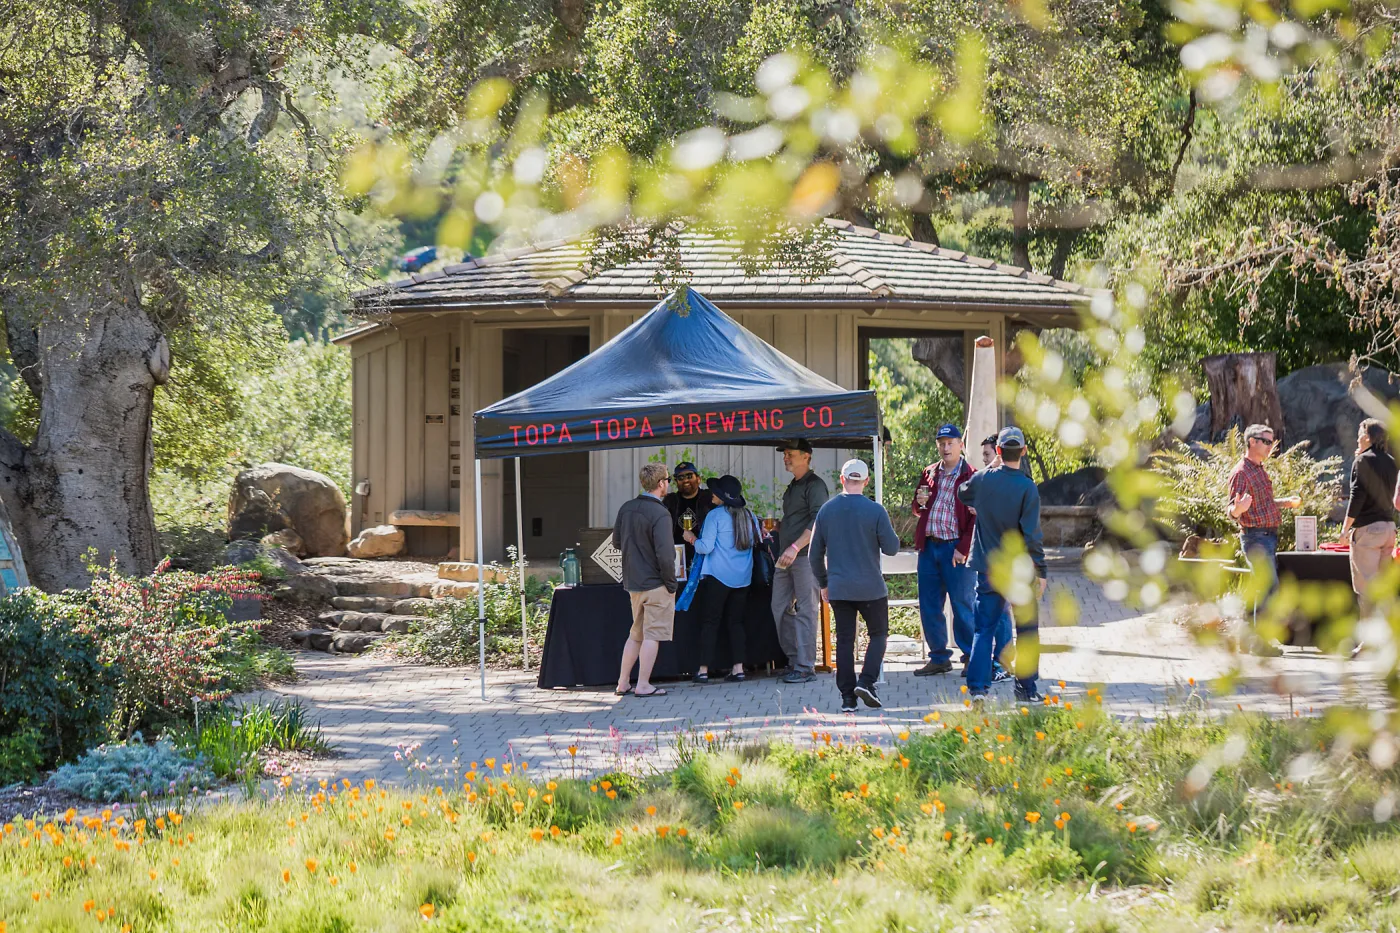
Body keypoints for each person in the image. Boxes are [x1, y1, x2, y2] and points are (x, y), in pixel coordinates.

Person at [958, 427, 1047, 701]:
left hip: (988, 568)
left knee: (984, 629)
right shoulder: (1027, 488)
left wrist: (989, 470)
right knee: (1027, 630)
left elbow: (962, 493)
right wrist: (1041, 571)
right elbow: (1032, 535)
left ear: (998, 451)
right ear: (1023, 451)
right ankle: (1026, 689)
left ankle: (978, 691)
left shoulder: (983, 480)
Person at [808, 458, 901, 712]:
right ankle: (867, 682)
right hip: (871, 587)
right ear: (867, 481)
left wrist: (824, 584)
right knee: (879, 635)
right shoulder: (876, 511)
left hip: (839, 588)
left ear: (842, 479)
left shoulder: (826, 511)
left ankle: (847, 698)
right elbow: (892, 548)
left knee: (845, 641)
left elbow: (813, 555)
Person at [911, 424, 976, 676]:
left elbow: (976, 519)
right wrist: (918, 502)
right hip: (929, 547)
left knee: (962, 605)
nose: (945, 447)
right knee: (929, 605)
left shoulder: (972, 475)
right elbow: (917, 509)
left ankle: (971, 655)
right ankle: (939, 657)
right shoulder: (929, 473)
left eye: (950, 442)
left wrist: (964, 548)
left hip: (955, 550)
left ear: (960, 444)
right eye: (941, 443)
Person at [682, 475, 755, 684]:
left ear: (723, 497)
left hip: (718, 576)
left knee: (710, 622)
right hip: (743, 577)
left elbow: (706, 547)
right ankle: (738, 669)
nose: (711, 493)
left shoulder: (715, 516)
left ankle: (703, 670)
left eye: (715, 492)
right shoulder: (748, 515)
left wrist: (691, 538)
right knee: (737, 623)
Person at [614, 463, 678, 698]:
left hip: (633, 582)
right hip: (656, 583)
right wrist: (671, 584)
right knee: (652, 635)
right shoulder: (660, 513)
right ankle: (642, 684)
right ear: (661, 483)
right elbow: (665, 554)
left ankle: (623, 682)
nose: (669, 484)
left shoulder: (627, 508)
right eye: (668, 480)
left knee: (635, 634)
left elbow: (617, 543)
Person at [772, 438, 829, 683]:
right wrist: (778, 528)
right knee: (779, 607)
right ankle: (795, 660)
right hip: (786, 556)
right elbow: (795, 518)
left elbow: (819, 521)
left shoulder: (815, 485)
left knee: (806, 610)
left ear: (806, 456)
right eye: (784, 453)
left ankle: (806, 667)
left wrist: (795, 546)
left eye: (790, 453)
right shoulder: (793, 486)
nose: (786, 457)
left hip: (805, 557)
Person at [1227, 423, 1302, 600]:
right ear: (1252, 442)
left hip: (1267, 537)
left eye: (1272, 441)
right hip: (1256, 539)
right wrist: (1238, 509)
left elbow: (1263, 504)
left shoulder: (1259, 469)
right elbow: (1231, 510)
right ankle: (1265, 627)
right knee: (1270, 589)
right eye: (1266, 442)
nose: (1271, 446)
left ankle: (1258, 625)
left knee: (1266, 590)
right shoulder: (1241, 472)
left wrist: (1286, 503)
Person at [1342, 418, 1397, 608]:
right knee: (1383, 588)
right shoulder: (1391, 462)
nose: (1357, 439)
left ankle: (1369, 636)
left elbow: (1357, 497)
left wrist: (1345, 529)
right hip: (1389, 529)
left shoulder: (1362, 460)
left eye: (1360, 434)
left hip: (1369, 531)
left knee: (1366, 590)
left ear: (1367, 436)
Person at [663, 460, 714, 570]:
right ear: (676, 482)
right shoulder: (670, 501)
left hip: (705, 558)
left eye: (689, 476)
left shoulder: (709, 498)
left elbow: (730, 514)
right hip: (677, 559)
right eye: (680, 478)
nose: (685, 480)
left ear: (698, 479)